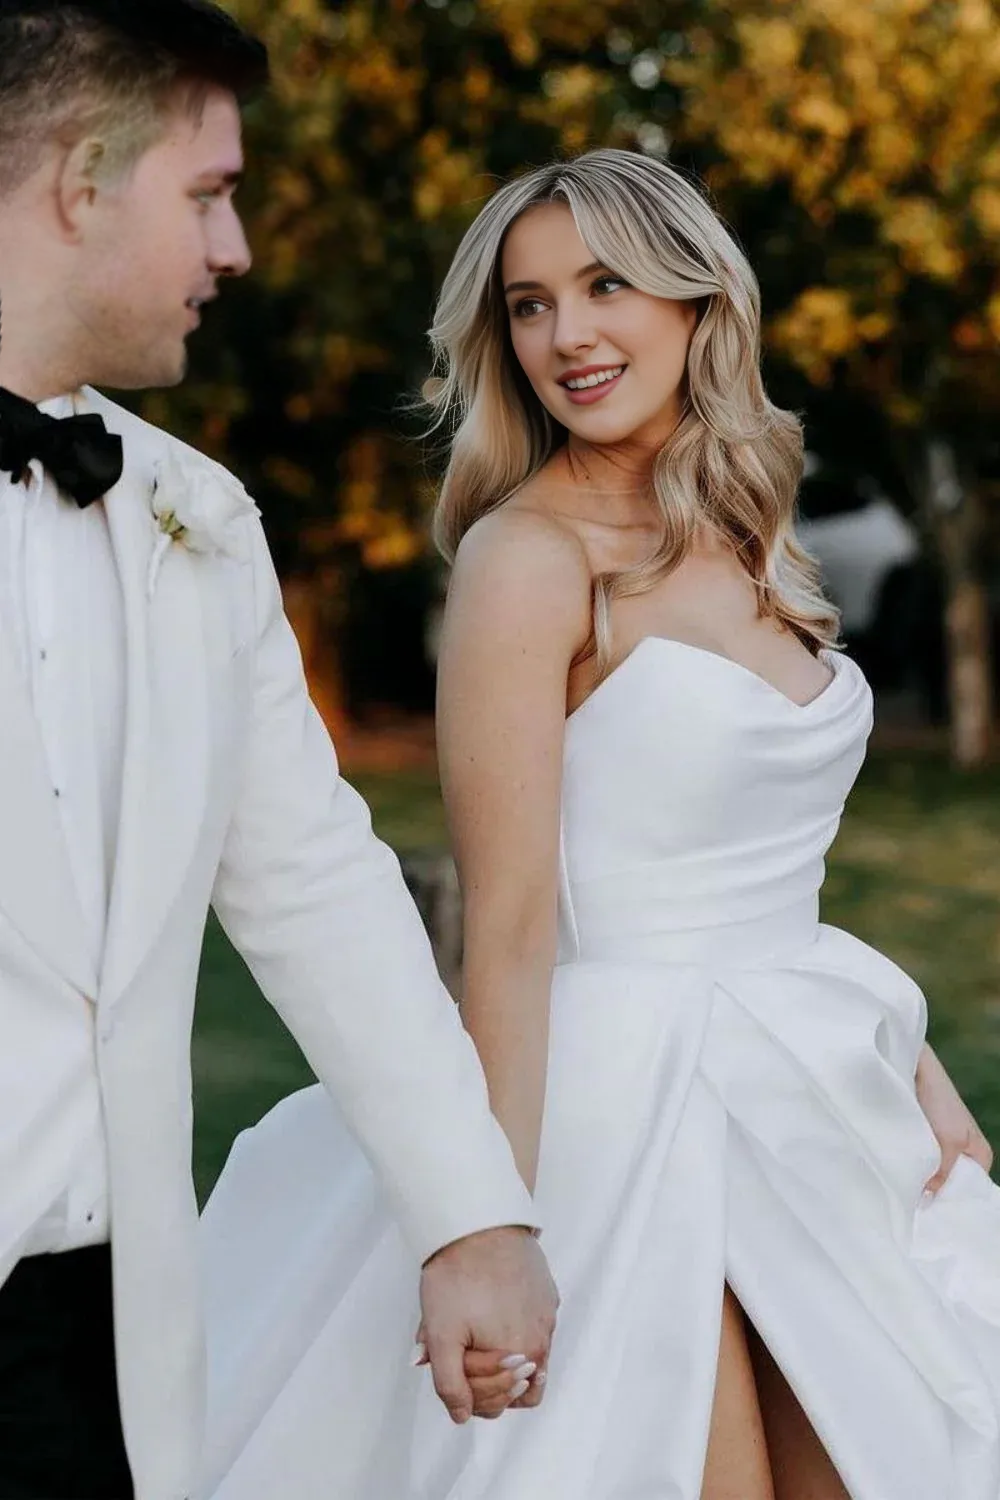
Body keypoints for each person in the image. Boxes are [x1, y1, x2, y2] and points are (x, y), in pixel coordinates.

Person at [200, 148, 1000, 1499]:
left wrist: (907, 1057)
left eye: (605, 285)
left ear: (698, 302)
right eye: (527, 304)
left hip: (805, 1093)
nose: (566, 334)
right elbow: (505, 932)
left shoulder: (754, 535)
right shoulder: (531, 559)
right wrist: (489, 1222)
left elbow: (756, 871)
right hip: (609, 1118)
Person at [0, 4, 559, 1498]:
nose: (233, 247)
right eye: (207, 193)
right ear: (78, 179)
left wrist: (469, 1213)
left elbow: (315, 885)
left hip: (99, 1344)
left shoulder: (202, 524)